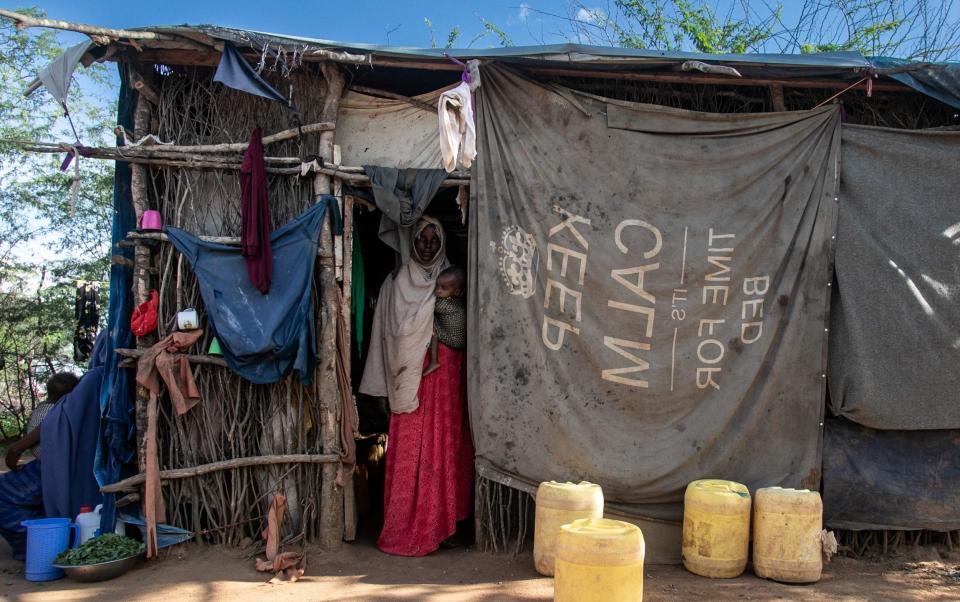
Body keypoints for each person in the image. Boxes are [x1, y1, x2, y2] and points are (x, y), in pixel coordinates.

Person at [360, 217, 474, 557]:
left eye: (433, 238)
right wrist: (380, 389)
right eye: (422, 238)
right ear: (411, 242)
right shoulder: (395, 284)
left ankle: (444, 526)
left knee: (445, 449)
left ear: (442, 243)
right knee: (409, 454)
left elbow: (462, 331)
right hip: (408, 384)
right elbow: (383, 338)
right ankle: (404, 528)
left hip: (446, 383)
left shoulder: (454, 279)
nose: (427, 244)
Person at [0, 332, 105, 561]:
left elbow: (17, 448)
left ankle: (35, 544)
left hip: (49, 469)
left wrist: (15, 453)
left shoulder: (68, 404)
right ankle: (46, 535)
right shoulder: (97, 388)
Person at [424, 266, 466, 377]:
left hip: (454, 340)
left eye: (444, 288)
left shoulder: (444, 304)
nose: (438, 290)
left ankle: (434, 361)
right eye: (437, 285)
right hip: (461, 340)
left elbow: (429, 306)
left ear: (457, 292)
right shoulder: (459, 301)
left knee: (431, 326)